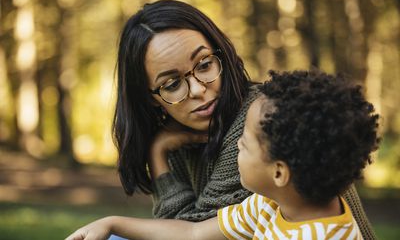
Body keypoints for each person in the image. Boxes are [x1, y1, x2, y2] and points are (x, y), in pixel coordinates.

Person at [102, 0, 374, 238]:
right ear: (150, 97)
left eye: (205, 65)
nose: (198, 90)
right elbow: (190, 233)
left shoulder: (261, 124)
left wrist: (157, 154)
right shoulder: (261, 205)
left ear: (223, 54)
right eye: (172, 84)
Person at [66, 70, 380, 240]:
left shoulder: (318, 236)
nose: (236, 148)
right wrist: (112, 224)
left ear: (279, 172)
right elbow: (193, 232)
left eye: (243, 144)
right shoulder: (272, 203)